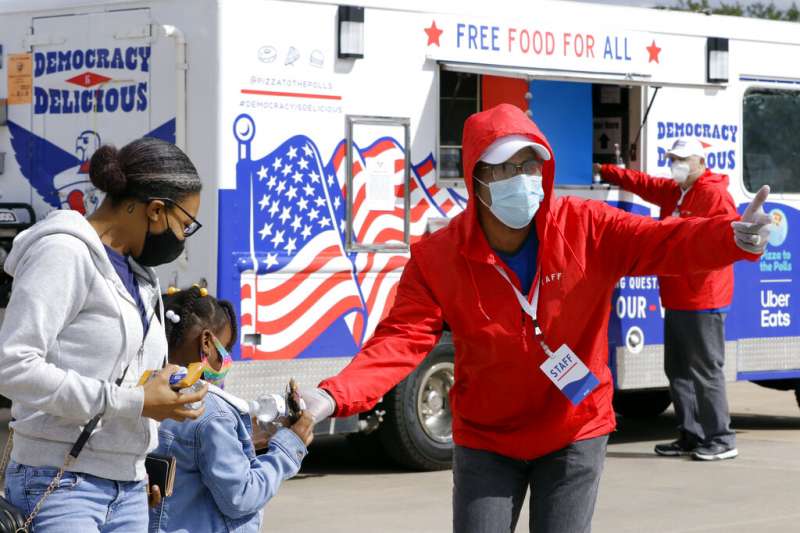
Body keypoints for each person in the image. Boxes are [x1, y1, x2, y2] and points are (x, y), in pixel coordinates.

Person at [299, 104, 772, 533]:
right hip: (488, 437)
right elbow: (399, 341)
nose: (521, 177)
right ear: (476, 176)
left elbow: (665, 241)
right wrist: (332, 397)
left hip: (573, 428)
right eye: (505, 167)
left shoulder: (587, 226)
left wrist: (732, 238)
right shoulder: (437, 257)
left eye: (530, 165)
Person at [0, 137, 208, 532]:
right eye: (185, 225)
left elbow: (129, 381)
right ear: (156, 210)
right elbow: (12, 366)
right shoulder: (63, 253)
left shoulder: (141, 276)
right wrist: (133, 401)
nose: (182, 239)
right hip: (60, 483)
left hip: (128, 486)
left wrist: (165, 392)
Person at [594, 137, 741, 461]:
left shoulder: (713, 194)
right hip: (676, 297)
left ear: (701, 164)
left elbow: (725, 239)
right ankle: (690, 434)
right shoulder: (677, 191)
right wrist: (605, 170)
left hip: (704, 299)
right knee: (677, 370)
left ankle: (722, 438)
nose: (676, 164)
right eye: (673, 158)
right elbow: (644, 184)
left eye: (683, 159)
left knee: (705, 370)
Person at [149, 285, 313, 533]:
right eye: (226, 347)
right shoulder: (212, 413)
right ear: (206, 342)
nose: (228, 358)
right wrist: (289, 448)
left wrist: (244, 441)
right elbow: (241, 497)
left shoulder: (144, 391)